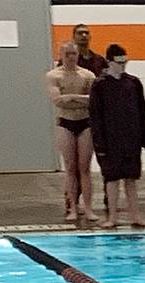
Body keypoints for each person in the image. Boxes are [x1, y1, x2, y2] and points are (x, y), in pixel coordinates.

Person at [88, 44, 145, 229]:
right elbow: (95, 116)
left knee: (131, 178)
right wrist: (99, 143)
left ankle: (135, 215)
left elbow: (142, 112)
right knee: (112, 178)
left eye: (125, 61)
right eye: (119, 62)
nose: (123, 65)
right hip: (110, 140)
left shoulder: (133, 82)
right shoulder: (100, 85)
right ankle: (112, 217)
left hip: (131, 138)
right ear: (109, 62)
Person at [46, 42, 96, 224]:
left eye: (73, 54)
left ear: (77, 55)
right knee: (70, 168)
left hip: (85, 123)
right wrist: (80, 99)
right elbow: (57, 100)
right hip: (65, 123)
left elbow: (94, 101)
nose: (70, 57)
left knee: (85, 168)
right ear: (61, 54)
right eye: (67, 54)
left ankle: (88, 208)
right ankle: (73, 208)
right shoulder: (53, 75)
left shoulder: (87, 75)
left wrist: (72, 97)